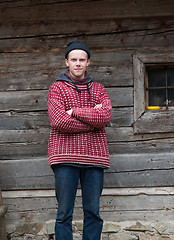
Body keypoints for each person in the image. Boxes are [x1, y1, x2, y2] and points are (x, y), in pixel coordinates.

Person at [47, 41, 112, 240]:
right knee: (64, 213)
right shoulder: (57, 88)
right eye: (73, 59)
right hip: (64, 158)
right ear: (66, 62)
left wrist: (74, 111)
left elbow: (105, 116)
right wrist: (93, 122)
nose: (78, 63)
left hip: (94, 158)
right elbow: (59, 121)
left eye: (81, 60)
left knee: (92, 212)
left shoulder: (99, 89)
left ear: (88, 62)